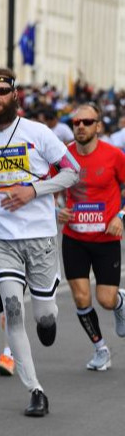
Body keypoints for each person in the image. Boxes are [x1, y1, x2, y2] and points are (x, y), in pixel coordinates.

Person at [0, 68, 80, 417]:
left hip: (40, 237)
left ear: (15, 95)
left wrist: (33, 190)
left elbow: (72, 171)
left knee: (43, 314)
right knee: (13, 311)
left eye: (2, 91)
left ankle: (48, 320)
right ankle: (35, 389)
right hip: (0, 240)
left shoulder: (38, 133)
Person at [57, 103, 125, 371]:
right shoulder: (64, 156)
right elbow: (48, 186)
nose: (81, 126)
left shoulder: (114, 155)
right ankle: (101, 349)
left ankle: (120, 301)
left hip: (106, 238)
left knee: (105, 300)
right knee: (81, 297)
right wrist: (56, 210)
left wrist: (120, 215)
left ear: (98, 126)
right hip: (74, 237)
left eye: (87, 122)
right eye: (76, 123)